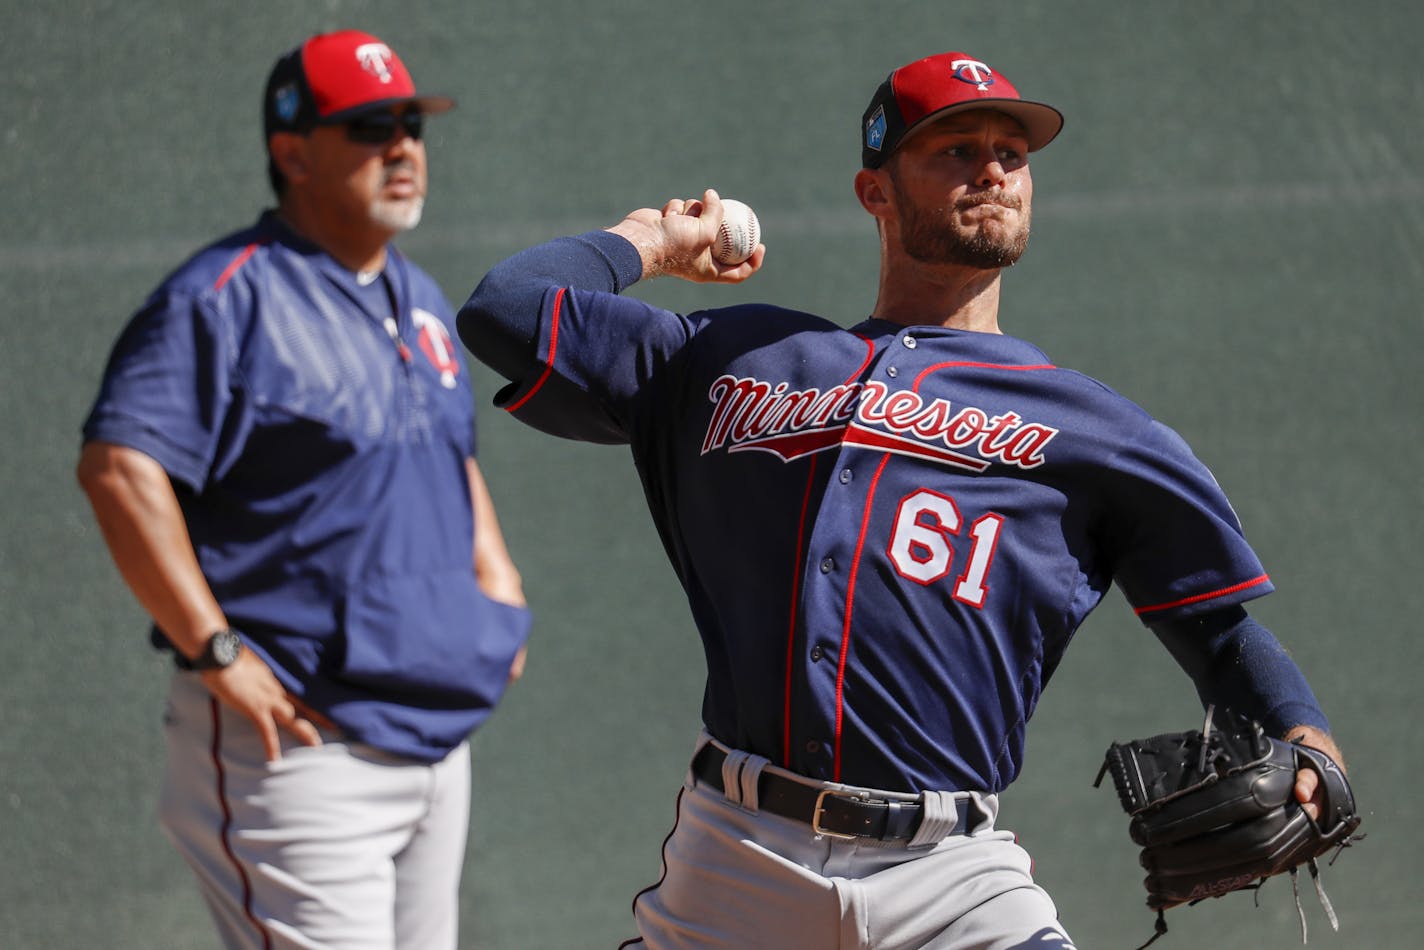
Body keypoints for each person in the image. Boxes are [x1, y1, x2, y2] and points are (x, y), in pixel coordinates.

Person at [456, 50, 1346, 949]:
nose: (993, 168)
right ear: (874, 192)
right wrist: (649, 242)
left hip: (951, 876)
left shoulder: (1097, 430)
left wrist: (1309, 740)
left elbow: (1221, 633)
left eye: (1012, 150)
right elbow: (506, 307)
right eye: (954, 149)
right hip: (736, 859)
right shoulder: (738, 362)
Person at [76, 30, 531, 950]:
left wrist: (499, 588)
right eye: (368, 128)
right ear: (292, 152)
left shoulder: (422, 299)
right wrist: (214, 650)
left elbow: (450, 455)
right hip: (300, 749)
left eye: (410, 124)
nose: (402, 148)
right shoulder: (223, 297)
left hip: (436, 735)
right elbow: (121, 468)